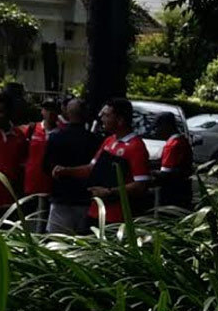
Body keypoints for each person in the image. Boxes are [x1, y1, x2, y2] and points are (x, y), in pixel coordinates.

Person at [52, 98, 150, 229]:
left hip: (117, 218)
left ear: (120, 120)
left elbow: (140, 185)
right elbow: (91, 169)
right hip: (95, 212)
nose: (101, 118)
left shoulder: (136, 146)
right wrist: (66, 171)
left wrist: (110, 192)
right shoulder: (109, 140)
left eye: (107, 115)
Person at [42, 99, 102, 234]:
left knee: (58, 242)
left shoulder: (56, 137)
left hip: (61, 196)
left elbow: (46, 166)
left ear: (67, 113)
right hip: (85, 198)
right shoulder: (95, 140)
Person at [151, 112, 193, 209]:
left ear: (166, 126)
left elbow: (165, 175)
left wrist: (150, 172)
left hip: (172, 193)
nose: (156, 132)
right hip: (184, 189)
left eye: (157, 127)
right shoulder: (183, 140)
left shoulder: (172, 145)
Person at [23, 100, 61, 197]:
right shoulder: (32, 128)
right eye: (47, 109)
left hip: (51, 184)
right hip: (31, 182)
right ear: (42, 111)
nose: (50, 113)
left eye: (53, 109)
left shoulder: (61, 133)